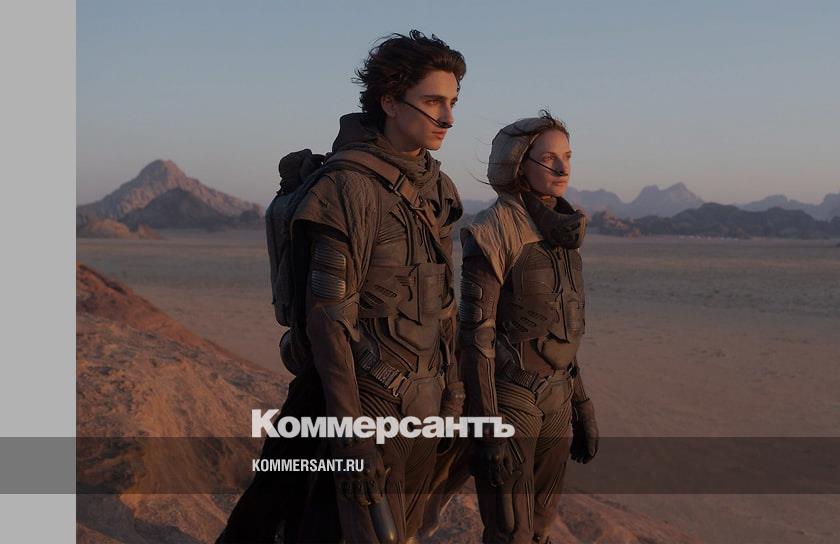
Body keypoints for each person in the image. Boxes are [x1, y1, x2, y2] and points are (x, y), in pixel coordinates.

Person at [218, 30, 466, 543]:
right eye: (433, 102)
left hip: (424, 403)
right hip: (365, 402)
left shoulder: (439, 188)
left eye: (453, 102)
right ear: (390, 101)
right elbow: (329, 323)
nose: (448, 117)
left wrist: (453, 393)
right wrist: (351, 439)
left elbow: (444, 303)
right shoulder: (347, 187)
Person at [455, 112, 600, 543]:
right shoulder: (492, 231)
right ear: (519, 164)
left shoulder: (563, 235)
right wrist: (487, 430)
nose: (562, 167)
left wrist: (582, 406)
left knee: (540, 528)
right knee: (510, 531)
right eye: (549, 158)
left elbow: (561, 333)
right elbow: (475, 338)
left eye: (567, 156)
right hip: (511, 400)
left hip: (558, 398)